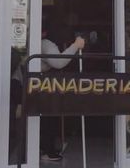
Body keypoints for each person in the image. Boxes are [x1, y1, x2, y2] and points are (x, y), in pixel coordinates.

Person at [11, 17, 85, 162]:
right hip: (21, 86)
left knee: (46, 110)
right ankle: (47, 151)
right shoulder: (45, 44)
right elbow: (59, 62)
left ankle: (42, 148)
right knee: (49, 111)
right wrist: (76, 45)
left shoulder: (37, 42)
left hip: (22, 84)